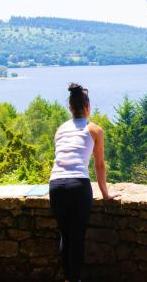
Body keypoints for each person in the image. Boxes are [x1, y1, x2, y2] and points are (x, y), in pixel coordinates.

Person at [49, 82, 119, 282]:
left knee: (65, 235)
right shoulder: (94, 130)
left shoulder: (60, 130)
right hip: (78, 185)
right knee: (77, 236)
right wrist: (106, 194)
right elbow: (99, 165)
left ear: (70, 108)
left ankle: (68, 278)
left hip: (56, 185)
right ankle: (75, 279)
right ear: (87, 107)